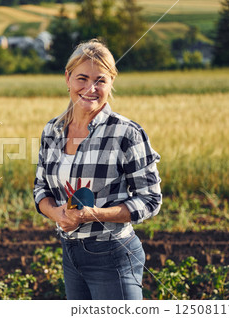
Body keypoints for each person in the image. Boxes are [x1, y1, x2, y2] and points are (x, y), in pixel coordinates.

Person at [33, 39, 162, 300]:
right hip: (70, 254)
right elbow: (41, 189)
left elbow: (150, 200)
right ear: (67, 78)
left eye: (100, 80)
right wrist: (56, 213)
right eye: (82, 78)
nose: (90, 88)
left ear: (111, 82)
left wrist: (94, 214)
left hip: (113, 254)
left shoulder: (126, 133)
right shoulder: (53, 130)